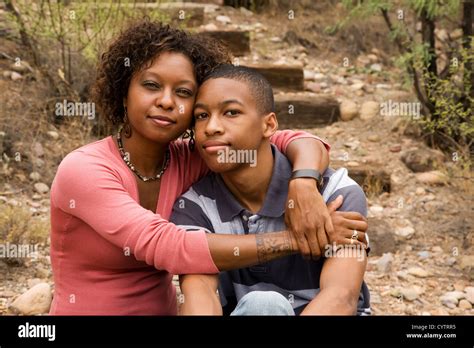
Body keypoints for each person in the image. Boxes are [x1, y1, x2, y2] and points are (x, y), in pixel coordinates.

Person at [49, 21, 337, 315]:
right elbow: (169, 246)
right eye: (151, 85)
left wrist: (303, 181)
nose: (166, 101)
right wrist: (293, 239)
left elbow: (288, 139)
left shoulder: (189, 158)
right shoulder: (85, 169)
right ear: (124, 93)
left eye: (184, 92)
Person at [171, 65, 370, 315]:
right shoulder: (194, 206)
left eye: (231, 112)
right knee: (262, 306)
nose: (211, 127)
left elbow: (341, 297)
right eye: (201, 116)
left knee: (265, 305)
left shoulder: (336, 193)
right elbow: (199, 295)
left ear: (269, 124)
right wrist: (295, 240)